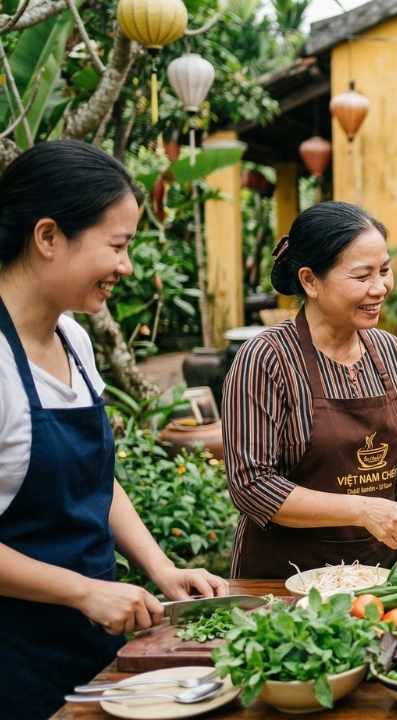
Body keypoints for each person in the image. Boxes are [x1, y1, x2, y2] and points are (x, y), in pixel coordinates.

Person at [0, 141, 228, 718]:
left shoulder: (74, 341)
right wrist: (83, 591)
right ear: (48, 237)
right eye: (118, 246)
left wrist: (160, 567)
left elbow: (93, 482)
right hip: (15, 659)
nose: (126, 267)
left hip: (94, 644)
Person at [222, 201, 397, 584]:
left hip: (379, 581)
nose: (380, 288)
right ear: (310, 280)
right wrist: (362, 510)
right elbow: (253, 485)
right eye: (362, 276)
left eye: (385, 271)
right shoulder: (266, 358)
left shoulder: (391, 352)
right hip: (283, 581)